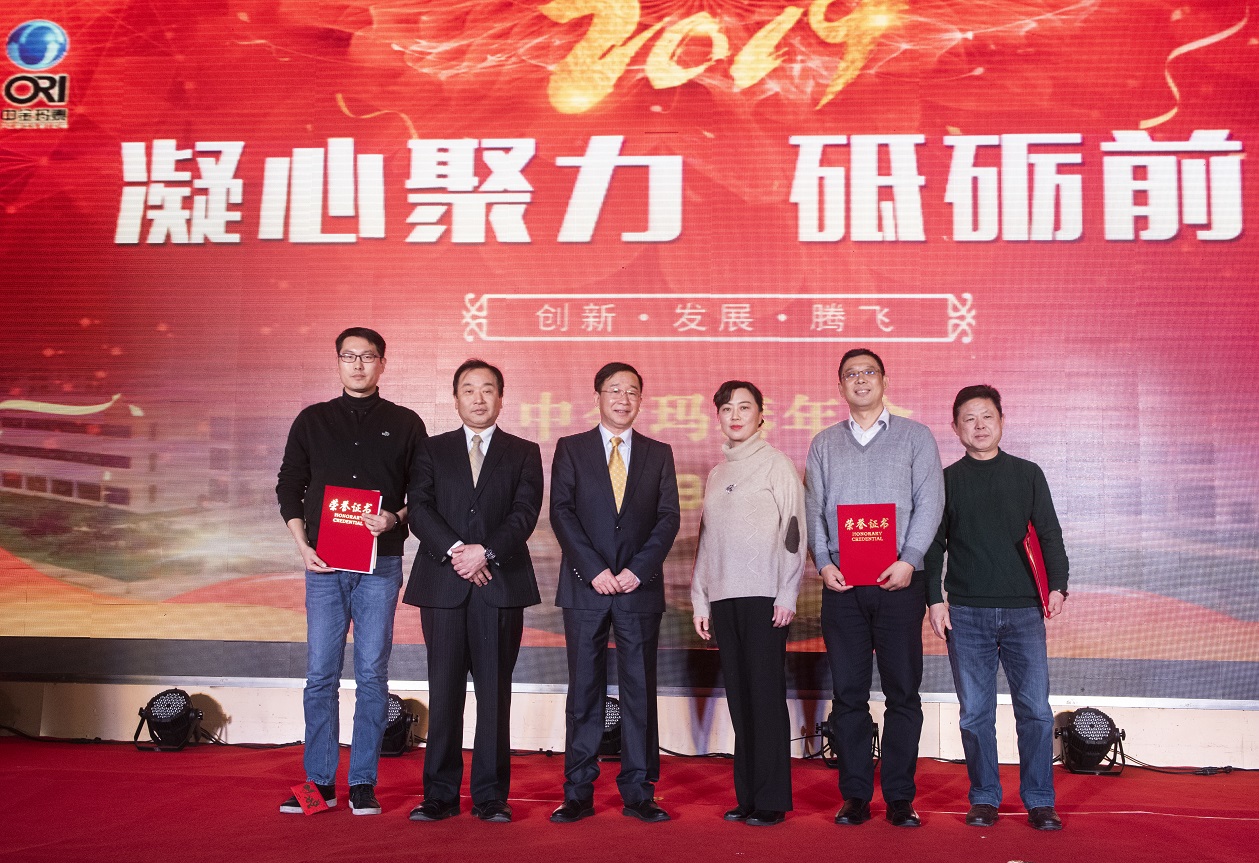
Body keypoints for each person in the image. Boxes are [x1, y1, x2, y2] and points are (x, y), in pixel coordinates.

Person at [275, 327, 427, 816]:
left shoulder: (406, 423)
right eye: (349, 356)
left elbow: (423, 494)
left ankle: (363, 782)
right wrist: (303, 545)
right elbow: (289, 485)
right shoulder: (312, 420)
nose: (358, 364)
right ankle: (318, 783)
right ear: (338, 362)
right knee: (320, 674)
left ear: (383, 363)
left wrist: (394, 518)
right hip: (323, 563)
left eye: (368, 356)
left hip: (380, 564)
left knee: (372, 674)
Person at [805, 348, 944, 828]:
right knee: (848, 694)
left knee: (903, 692)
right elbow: (813, 508)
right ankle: (856, 796)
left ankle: (901, 798)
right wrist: (823, 563)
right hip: (842, 586)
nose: (860, 380)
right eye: (851, 374)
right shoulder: (824, 443)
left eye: (868, 372)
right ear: (840, 386)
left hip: (899, 585)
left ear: (885, 381)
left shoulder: (915, 437)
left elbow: (930, 503)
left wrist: (909, 560)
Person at [403, 359, 544, 824]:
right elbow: (419, 508)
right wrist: (458, 552)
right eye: (469, 389)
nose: (478, 398)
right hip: (443, 586)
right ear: (455, 397)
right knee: (444, 694)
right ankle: (439, 795)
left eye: (487, 389)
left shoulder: (524, 452)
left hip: (500, 585)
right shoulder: (432, 449)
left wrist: (486, 552)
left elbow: (524, 513)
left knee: (494, 695)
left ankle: (490, 796)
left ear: (501, 398)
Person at [924, 384, 1069, 832]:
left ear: (1002, 421)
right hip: (967, 614)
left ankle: (1040, 801)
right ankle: (984, 797)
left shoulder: (1027, 474)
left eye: (987, 416)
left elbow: (1049, 533)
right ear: (955, 428)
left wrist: (1058, 585)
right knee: (975, 714)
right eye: (969, 418)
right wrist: (934, 600)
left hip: (1024, 612)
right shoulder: (946, 481)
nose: (979, 425)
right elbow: (932, 547)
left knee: (1036, 711)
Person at [549, 362, 681, 823]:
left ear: (641, 400)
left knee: (639, 690)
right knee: (584, 690)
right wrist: (595, 570)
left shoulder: (659, 453)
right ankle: (578, 791)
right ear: (598, 396)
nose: (623, 399)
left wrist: (637, 571)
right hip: (585, 587)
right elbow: (561, 512)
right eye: (614, 390)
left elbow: (668, 518)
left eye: (632, 392)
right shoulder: (571, 448)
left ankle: (639, 791)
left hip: (637, 590)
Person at [691, 381, 806, 827]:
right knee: (740, 700)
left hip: (765, 599)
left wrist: (788, 592)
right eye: (727, 408)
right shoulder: (717, 473)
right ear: (718, 416)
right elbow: (706, 541)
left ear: (761, 415)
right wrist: (701, 599)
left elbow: (794, 533)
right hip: (724, 599)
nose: (735, 415)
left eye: (745, 407)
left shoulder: (777, 464)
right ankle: (748, 797)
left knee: (765, 697)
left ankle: (772, 799)